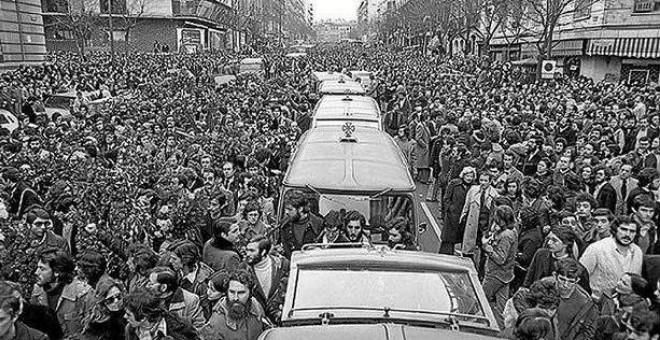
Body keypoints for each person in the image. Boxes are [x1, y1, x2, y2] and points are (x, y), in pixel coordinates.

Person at [30, 249, 93, 337]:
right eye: (38, 268)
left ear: (56, 272)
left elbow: (92, 332)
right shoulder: (37, 290)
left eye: (42, 269)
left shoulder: (82, 293)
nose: (37, 272)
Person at [580, 215, 644, 299]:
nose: (627, 234)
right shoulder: (597, 248)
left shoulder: (637, 251)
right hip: (598, 303)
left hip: (625, 304)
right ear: (615, 229)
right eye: (623, 229)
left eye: (632, 231)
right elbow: (580, 276)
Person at [201, 270, 270, 340]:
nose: (236, 298)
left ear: (250, 294)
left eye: (241, 293)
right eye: (232, 292)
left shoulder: (256, 307)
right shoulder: (216, 323)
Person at [481, 205, 518, 329]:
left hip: (495, 274)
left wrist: (488, 249)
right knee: (502, 308)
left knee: (480, 299)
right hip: (506, 275)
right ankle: (502, 331)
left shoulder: (506, 235)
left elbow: (501, 258)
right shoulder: (512, 231)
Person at [523, 226, 590, 293]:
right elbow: (529, 277)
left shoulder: (576, 268)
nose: (549, 242)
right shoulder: (540, 254)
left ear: (566, 244)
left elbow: (584, 292)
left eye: (554, 240)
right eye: (549, 239)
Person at [124, 288, 199, 340]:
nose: (125, 316)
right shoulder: (130, 330)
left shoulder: (181, 328)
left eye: (128, 314)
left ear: (143, 317)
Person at [245, 235, 289, 323]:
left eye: (252, 251)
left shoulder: (282, 265)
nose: (248, 254)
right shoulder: (244, 269)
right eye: (247, 250)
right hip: (256, 319)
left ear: (263, 252)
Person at [440, 166, 475, 255]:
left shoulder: (474, 188)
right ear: (463, 176)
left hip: (464, 217)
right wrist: (449, 209)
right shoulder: (454, 184)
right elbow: (446, 198)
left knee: (461, 238)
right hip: (452, 215)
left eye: (471, 176)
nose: (469, 178)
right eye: (467, 176)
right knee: (448, 239)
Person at [279, 194, 322, 258]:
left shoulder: (318, 223)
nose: (286, 212)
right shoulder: (284, 224)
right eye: (285, 209)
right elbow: (281, 244)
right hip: (291, 264)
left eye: (290, 209)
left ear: (300, 209)